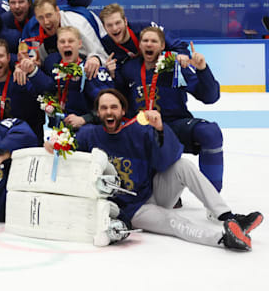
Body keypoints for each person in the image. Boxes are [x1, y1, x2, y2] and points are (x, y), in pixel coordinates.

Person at [74, 89, 262, 251]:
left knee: (183, 165)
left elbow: (167, 161)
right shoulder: (88, 135)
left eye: (114, 107)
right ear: (97, 113)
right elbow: (69, 155)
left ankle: (227, 216)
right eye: (104, 108)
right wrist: (55, 147)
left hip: (152, 193)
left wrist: (161, 129)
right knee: (174, 221)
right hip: (131, 210)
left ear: (123, 110)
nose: (109, 112)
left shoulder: (138, 131)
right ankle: (224, 239)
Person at [117, 27, 224, 192]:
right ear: (140, 46)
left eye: (154, 41)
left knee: (210, 133)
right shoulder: (128, 69)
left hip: (173, 125)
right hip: (141, 128)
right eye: (145, 41)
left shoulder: (174, 66)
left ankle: (213, 195)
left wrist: (202, 69)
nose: (149, 44)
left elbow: (210, 97)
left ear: (162, 46)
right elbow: (118, 101)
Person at [22, 26, 114, 128]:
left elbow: (111, 107)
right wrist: (32, 70)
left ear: (79, 44)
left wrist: (85, 119)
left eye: (71, 41)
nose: (66, 45)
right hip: (56, 129)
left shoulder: (91, 70)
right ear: (57, 45)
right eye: (62, 42)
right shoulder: (51, 63)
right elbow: (48, 88)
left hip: (85, 130)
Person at [20, 0, 107, 75]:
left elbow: (101, 54)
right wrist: (32, 64)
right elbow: (29, 60)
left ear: (57, 11)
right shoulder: (32, 29)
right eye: (41, 17)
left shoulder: (79, 24)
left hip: (90, 51)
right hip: (57, 63)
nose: (46, 22)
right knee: (51, 61)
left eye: (49, 15)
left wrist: (95, 58)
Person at [0, 39, 44, 139]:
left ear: (8, 58)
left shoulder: (21, 78)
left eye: (0, 56)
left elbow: (43, 94)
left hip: (25, 135)